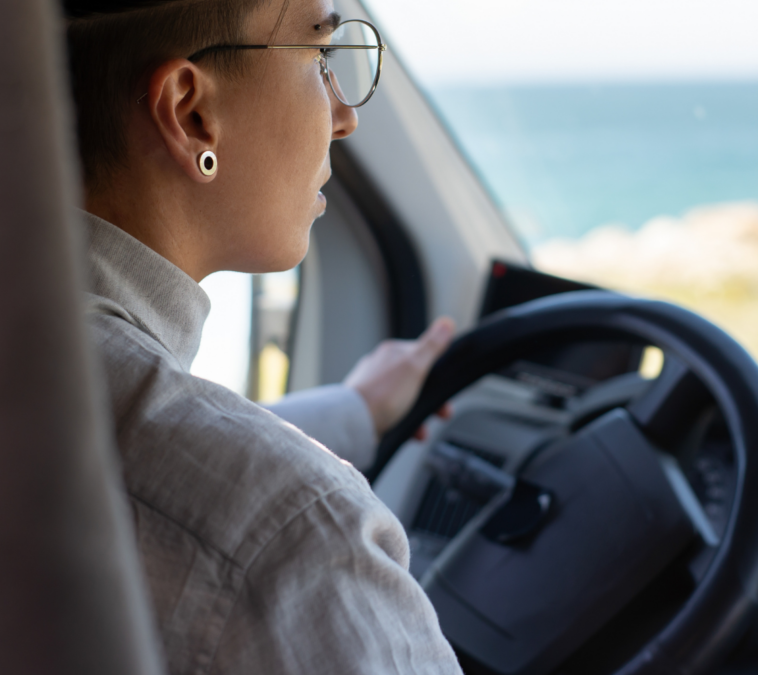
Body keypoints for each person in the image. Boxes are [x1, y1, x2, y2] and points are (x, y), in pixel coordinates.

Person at [62, 0, 463, 672]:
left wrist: (355, 408)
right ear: (191, 113)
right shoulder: (301, 542)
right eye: (320, 56)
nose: (345, 116)